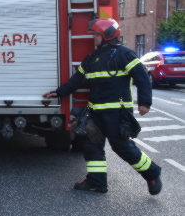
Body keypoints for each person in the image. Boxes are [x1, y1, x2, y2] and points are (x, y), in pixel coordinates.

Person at [43, 18, 162, 195]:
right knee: (92, 146)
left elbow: (142, 77)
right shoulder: (92, 58)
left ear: (107, 35)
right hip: (96, 112)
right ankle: (96, 182)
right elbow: (77, 80)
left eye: (96, 34)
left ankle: (152, 173)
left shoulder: (124, 54)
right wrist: (58, 92)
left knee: (122, 147)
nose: (94, 38)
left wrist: (145, 103)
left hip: (117, 112)